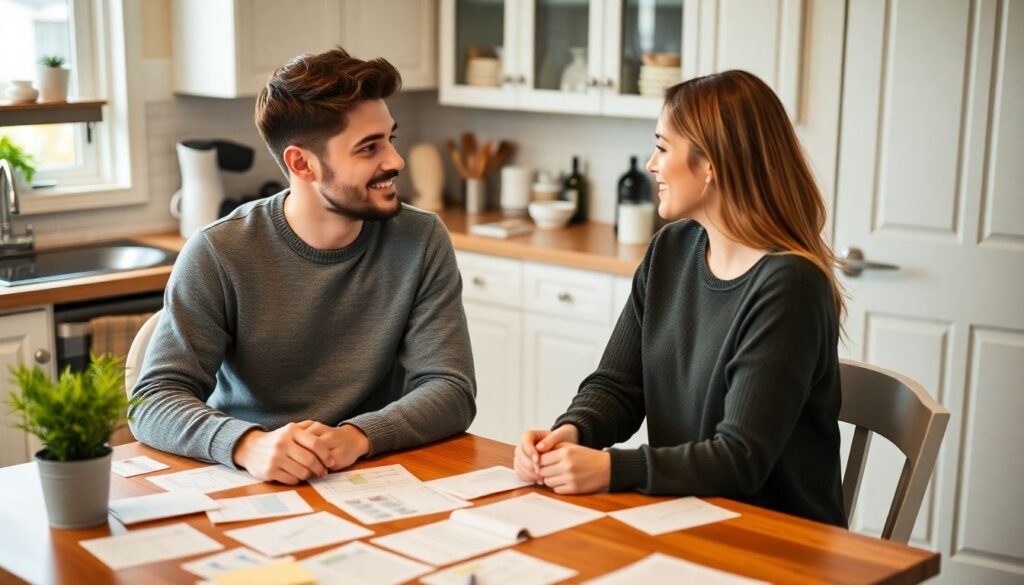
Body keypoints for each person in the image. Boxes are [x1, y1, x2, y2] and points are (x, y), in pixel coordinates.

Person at [513, 70, 847, 527]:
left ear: (710, 164)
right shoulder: (670, 250)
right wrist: (570, 433)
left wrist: (611, 469)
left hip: (775, 541)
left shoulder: (790, 284)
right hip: (682, 517)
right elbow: (618, 386)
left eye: (663, 147)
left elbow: (741, 458)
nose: (652, 164)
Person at [130, 48, 476, 485]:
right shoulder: (219, 250)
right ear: (302, 163)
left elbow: (451, 389)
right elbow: (153, 400)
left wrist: (355, 436)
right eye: (368, 148)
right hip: (248, 480)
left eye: (391, 138)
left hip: (371, 475)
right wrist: (248, 444)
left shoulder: (421, 239)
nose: (394, 161)